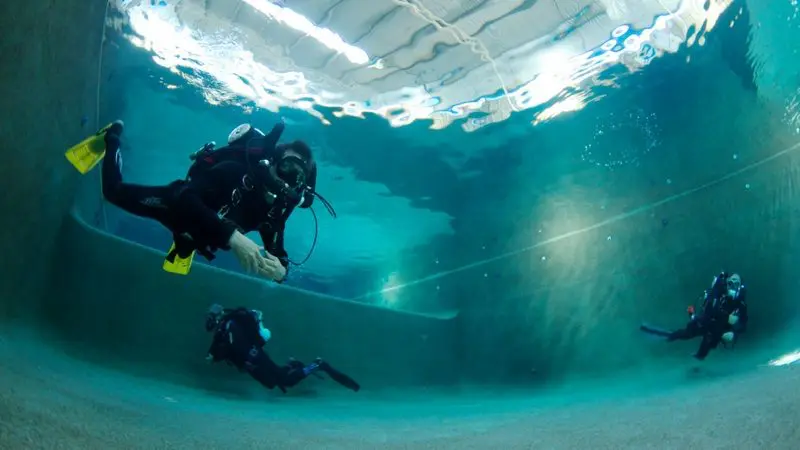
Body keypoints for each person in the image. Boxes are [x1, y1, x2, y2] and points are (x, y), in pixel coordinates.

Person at [98, 119, 319, 281]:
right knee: (112, 192)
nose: (288, 179)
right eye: (286, 166)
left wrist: (281, 273)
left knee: (189, 241)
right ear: (271, 162)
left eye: (297, 176)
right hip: (175, 208)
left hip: (203, 235)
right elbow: (185, 197)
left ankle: (185, 244)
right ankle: (113, 137)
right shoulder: (235, 172)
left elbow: (279, 254)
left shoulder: (274, 214)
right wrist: (233, 237)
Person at [204, 304, 361, 393]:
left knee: (284, 382)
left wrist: (214, 355)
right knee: (273, 382)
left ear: (219, 317)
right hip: (252, 362)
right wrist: (213, 356)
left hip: (256, 357)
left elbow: (231, 346)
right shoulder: (223, 331)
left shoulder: (230, 325)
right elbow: (223, 348)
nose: (211, 321)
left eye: (212, 317)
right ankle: (292, 364)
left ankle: (318, 365)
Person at [642, 271, 749, 360]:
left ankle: (698, 361)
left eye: (736, 284)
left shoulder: (740, 304)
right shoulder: (718, 293)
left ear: (740, 287)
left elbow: (743, 324)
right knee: (684, 334)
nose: (732, 287)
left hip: (717, 330)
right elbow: (709, 311)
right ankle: (654, 333)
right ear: (726, 284)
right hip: (705, 322)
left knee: (708, 343)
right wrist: (727, 318)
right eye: (730, 283)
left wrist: (734, 333)